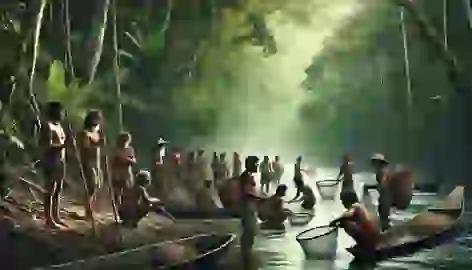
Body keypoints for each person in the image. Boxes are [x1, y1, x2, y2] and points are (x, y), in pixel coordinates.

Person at [40, 102, 67, 228]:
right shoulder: (47, 126)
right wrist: (63, 146)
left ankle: (56, 216)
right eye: (60, 111)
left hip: (61, 161)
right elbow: (47, 146)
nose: (62, 114)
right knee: (50, 190)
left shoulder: (59, 126)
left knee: (58, 189)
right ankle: (48, 218)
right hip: (51, 160)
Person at [77, 109, 104, 220]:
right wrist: (97, 144)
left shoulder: (97, 132)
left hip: (96, 163)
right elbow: (84, 147)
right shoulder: (84, 133)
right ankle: (88, 210)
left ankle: (91, 208)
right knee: (90, 187)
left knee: (97, 186)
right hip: (88, 162)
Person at [239, 156, 263, 270]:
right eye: (256, 164)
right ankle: (246, 265)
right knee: (248, 237)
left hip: (249, 209)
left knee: (249, 238)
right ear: (250, 164)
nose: (257, 166)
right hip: (247, 210)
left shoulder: (247, 176)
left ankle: (246, 263)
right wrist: (261, 199)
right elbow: (247, 193)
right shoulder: (246, 177)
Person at [111, 132, 136, 209]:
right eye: (124, 140)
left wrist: (127, 159)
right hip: (117, 173)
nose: (126, 142)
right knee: (117, 193)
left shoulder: (130, 149)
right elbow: (111, 161)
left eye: (127, 140)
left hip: (127, 174)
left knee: (127, 193)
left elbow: (134, 160)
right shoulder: (115, 149)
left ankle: (124, 209)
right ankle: (117, 209)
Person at [371, 153, 391, 231]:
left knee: (384, 216)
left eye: (376, 162)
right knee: (382, 216)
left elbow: (384, 184)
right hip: (383, 194)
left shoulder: (382, 172)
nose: (375, 164)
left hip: (385, 194)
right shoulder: (379, 172)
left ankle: (385, 231)